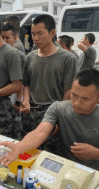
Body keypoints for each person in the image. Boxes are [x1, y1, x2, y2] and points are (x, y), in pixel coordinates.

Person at [1, 69, 99, 174]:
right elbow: (40, 132)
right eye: (74, 95)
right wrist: (18, 147)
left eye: (85, 99)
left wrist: (98, 154)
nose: (77, 103)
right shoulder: (58, 107)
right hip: (62, 172)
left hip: (95, 178)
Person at [20, 15, 77, 144]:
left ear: (52, 33)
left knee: (48, 155)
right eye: (33, 34)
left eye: (40, 33)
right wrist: (26, 100)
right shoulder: (29, 58)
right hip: (31, 113)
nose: (35, 38)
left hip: (52, 113)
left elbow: (68, 92)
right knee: (27, 151)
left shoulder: (68, 59)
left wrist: (59, 118)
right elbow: (26, 84)